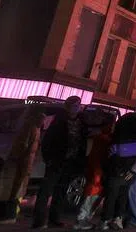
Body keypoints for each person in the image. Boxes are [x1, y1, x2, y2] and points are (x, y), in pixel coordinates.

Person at [101, 99, 136, 230]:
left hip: (119, 162)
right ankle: (117, 219)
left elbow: (115, 138)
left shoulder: (127, 120)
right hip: (128, 165)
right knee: (122, 193)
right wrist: (134, 170)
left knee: (114, 193)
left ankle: (108, 220)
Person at [33, 96, 85, 228]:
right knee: (46, 190)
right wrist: (49, 159)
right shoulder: (59, 120)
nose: (76, 108)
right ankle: (39, 220)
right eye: (74, 105)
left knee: (61, 191)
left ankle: (54, 218)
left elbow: (82, 141)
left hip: (70, 161)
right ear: (68, 107)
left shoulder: (81, 121)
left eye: (78, 105)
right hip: (56, 160)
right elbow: (47, 141)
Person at [0, 106, 46, 224]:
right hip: (21, 164)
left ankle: (6, 215)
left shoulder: (30, 127)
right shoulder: (32, 128)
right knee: (14, 190)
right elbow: (24, 147)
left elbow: (23, 146)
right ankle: (8, 215)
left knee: (12, 189)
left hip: (20, 164)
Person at [74, 116, 114, 230]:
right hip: (98, 172)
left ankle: (83, 219)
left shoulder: (97, 137)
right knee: (92, 196)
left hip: (95, 170)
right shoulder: (104, 139)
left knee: (92, 195)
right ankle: (81, 220)